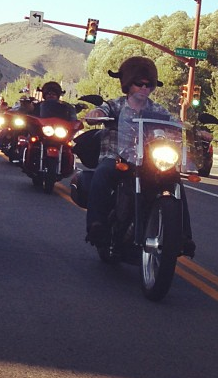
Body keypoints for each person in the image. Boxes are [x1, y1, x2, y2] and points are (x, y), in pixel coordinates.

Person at [83, 56, 195, 257]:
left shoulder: (157, 109)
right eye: (139, 83)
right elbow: (101, 110)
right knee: (102, 172)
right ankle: (96, 225)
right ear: (128, 83)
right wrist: (96, 114)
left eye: (148, 84)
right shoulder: (115, 105)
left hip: (148, 160)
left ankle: (184, 236)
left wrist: (195, 131)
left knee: (175, 178)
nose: (144, 88)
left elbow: (175, 124)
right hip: (118, 156)